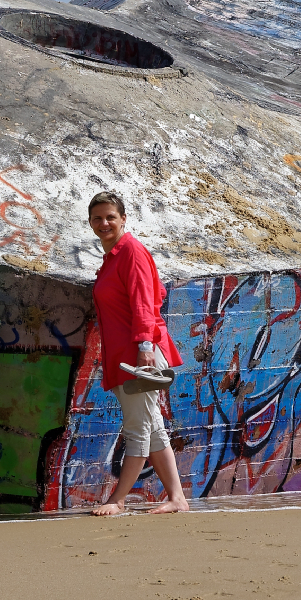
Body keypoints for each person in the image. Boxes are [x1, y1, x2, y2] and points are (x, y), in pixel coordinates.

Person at [87, 190, 190, 515]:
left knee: (137, 428)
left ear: (123, 219)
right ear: (90, 222)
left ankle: (117, 500)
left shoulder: (131, 250)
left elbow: (145, 301)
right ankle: (177, 499)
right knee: (152, 427)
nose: (104, 223)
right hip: (125, 356)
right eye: (97, 218)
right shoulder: (112, 257)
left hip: (140, 354)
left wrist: (145, 347)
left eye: (110, 217)